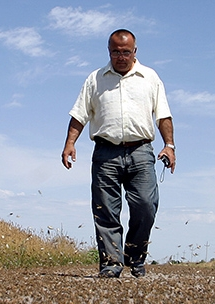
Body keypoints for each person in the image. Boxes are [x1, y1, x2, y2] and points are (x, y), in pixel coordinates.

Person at [62, 28, 175, 278]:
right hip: (105, 153)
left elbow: (164, 115)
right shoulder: (95, 79)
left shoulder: (150, 77)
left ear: (135, 51)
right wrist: (70, 143)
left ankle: (135, 257)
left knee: (146, 205)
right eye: (116, 52)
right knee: (105, 209)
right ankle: (111, 263)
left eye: (126, 52)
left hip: (141, 152)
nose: (121, 56)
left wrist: (170, 145)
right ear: (109, 51)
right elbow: (79, 114)